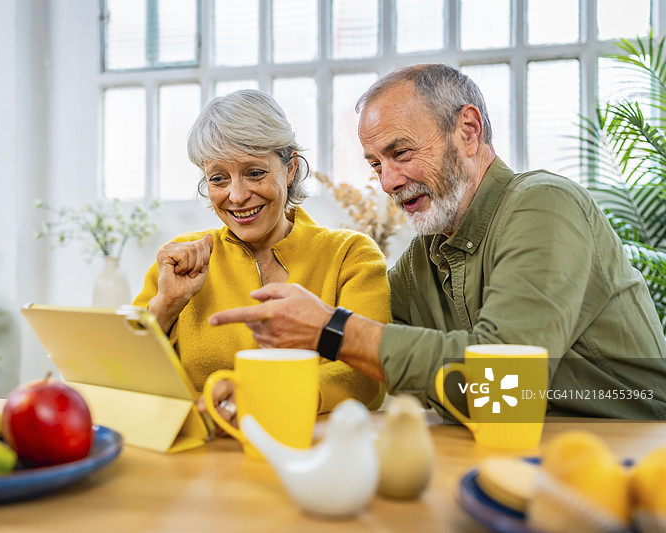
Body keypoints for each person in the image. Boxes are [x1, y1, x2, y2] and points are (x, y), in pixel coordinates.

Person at [209, 64, 666, 419]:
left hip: (631, 454)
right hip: (522, 462)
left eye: (401, 153)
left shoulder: (544, 205)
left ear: (467, 131)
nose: (388, 181)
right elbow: (356, 336)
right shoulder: (426, 258)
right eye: (375, 164)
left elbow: (504, 389)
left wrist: (330, 328)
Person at [134, 89, 390, 424]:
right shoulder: (177, 263)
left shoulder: (349, 256)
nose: (237, 196)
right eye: (218, 178)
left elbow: (367, 376)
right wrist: (164, 308)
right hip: (204, 458)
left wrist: (270, 398)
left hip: (310, 453)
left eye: (255, 172)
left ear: (290, 169)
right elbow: (125, 374)